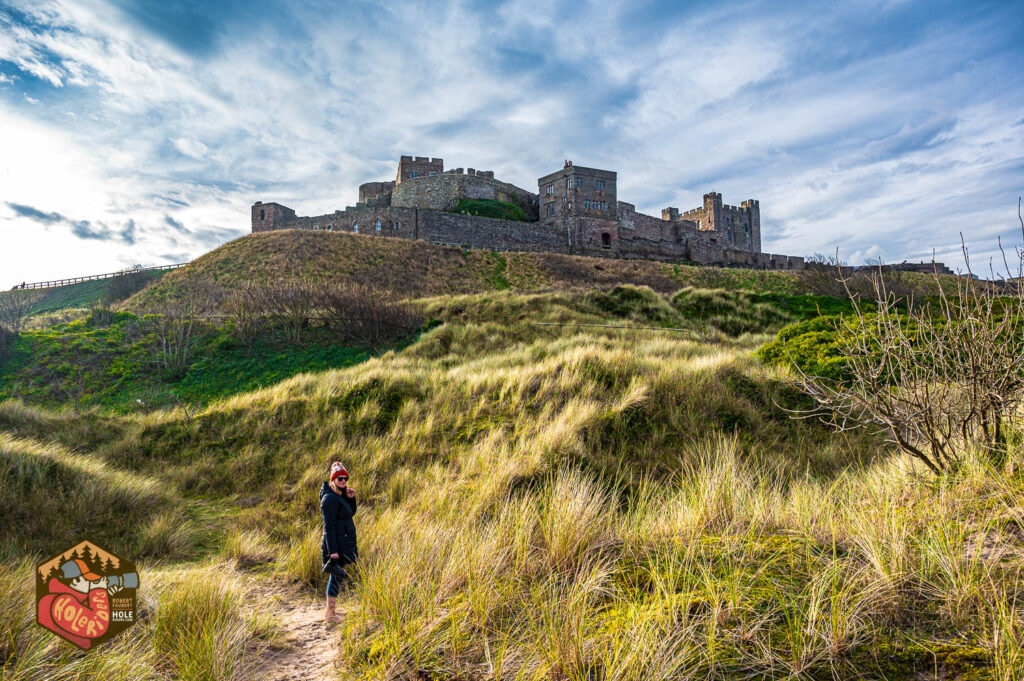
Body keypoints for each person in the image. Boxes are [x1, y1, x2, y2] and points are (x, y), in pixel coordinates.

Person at [37, 558, 123, 649]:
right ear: (76, 581)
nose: (91, 583)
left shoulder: (67, 596)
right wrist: (98, 591)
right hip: (64, 657)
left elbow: (82, 610)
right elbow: (97, 626)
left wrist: (106, 596)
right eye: (88, 580)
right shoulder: (60, 602)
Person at [320, 461, 357, 622]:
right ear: (333, 480)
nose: (343, 481)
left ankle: (331, 611)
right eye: (339, 478)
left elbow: (349, 514)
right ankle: (330, 614)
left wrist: (350, 499)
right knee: (336, 576)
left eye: (345, 478)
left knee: (337, 576)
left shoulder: (339, 496)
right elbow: (329, 527)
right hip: (335, 544)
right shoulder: (329, 498)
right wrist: (333, 551)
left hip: (343, 541)